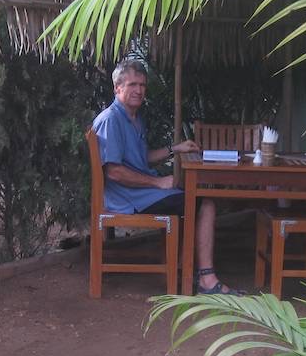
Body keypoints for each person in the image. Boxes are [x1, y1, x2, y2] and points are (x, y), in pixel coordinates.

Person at [92, 59, 243, 295]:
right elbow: (114, 172)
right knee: (204, 203)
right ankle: (206, 279)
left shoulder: (134, 118)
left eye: (142, 85)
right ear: (117, 88)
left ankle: (185, 269)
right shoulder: (111, 119)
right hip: (128, 199)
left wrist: (175, 149)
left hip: (142, 194)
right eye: (132, 84)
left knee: (195, 198)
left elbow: (142, 159)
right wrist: (157, 182)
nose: (139, 91)